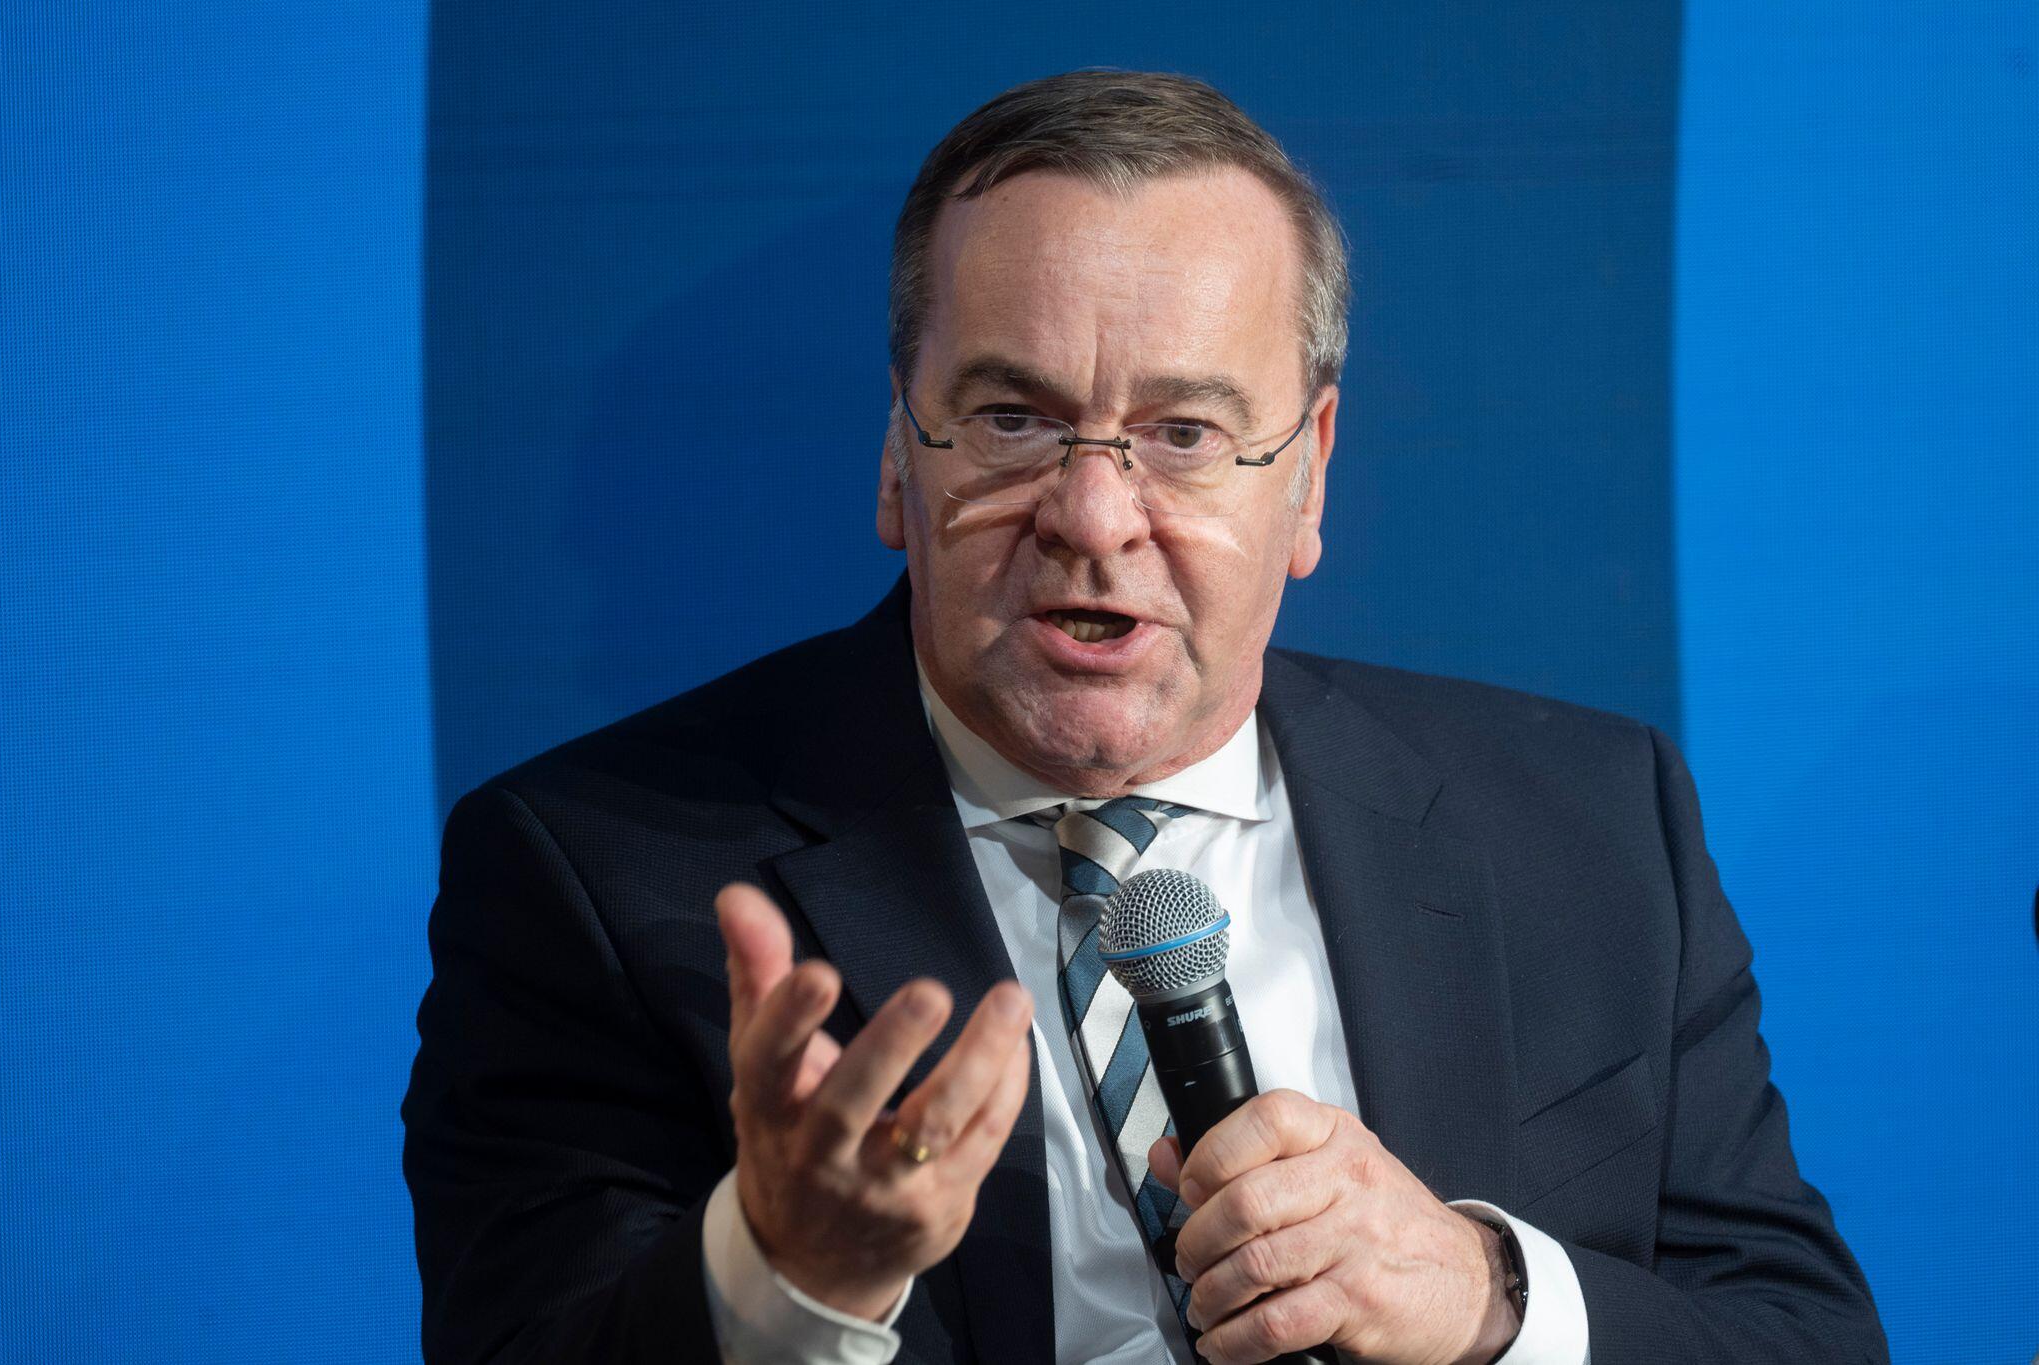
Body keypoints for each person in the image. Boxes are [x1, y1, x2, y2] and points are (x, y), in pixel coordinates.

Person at [401, 70, 1887, 1364]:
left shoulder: (1590, 825)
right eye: (1014, 420)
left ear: (1308, 472)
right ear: (898, 455)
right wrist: (784, 1279)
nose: (1094, 515)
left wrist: (1488, 1295)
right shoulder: (595, 874)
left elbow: (1802, 1337)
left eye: (1183, 432)